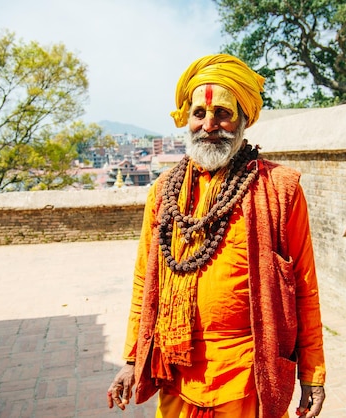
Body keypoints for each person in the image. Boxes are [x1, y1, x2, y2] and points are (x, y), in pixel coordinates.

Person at [107, 54, 326, 418]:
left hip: (247, 378)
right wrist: (133, 358)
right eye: (199, 114)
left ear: (243, 119)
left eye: (223, 113)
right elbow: (145, 280)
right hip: (176, 373)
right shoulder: (164, 191)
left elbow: (304, 286)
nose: (209, 125)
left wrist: (313, 373)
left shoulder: (280, 190)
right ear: (187, 119)